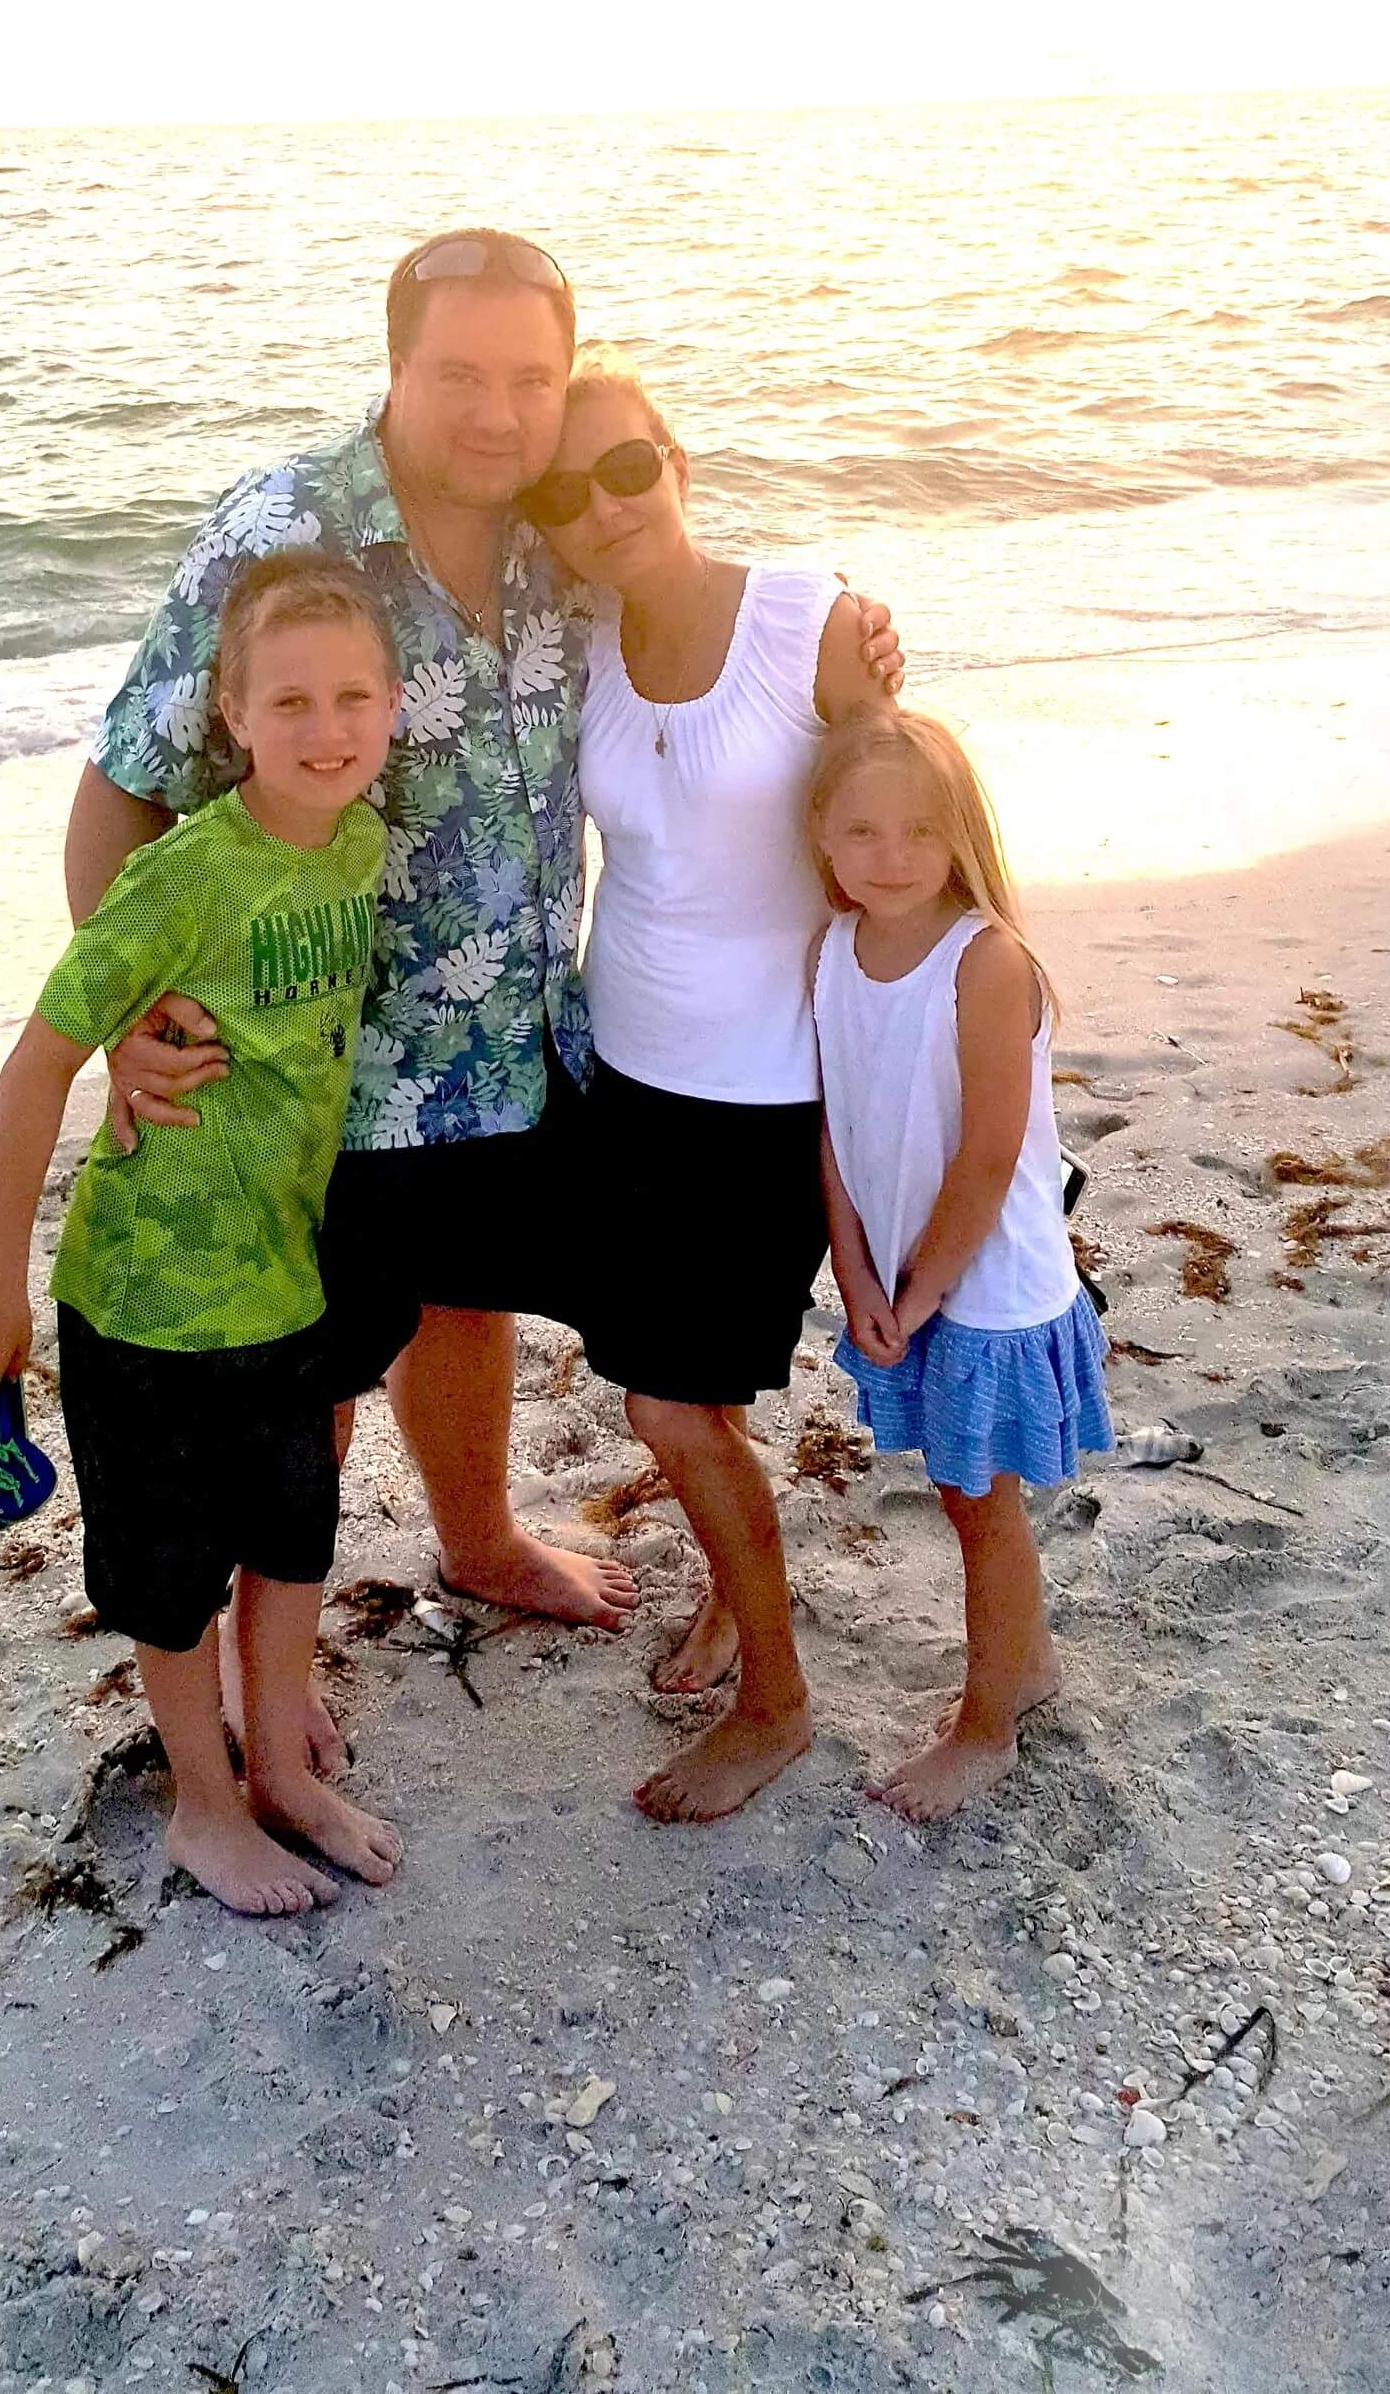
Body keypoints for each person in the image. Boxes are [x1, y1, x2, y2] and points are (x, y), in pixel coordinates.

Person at [66, 231, 908, 1668]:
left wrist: (845, 633)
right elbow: (123, 785)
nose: (496, 413)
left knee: (467, 1294)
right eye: (457, 374)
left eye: (528, 379)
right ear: (395, 367)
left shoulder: (554, 528)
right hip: (315, 1061)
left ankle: (477, 1539)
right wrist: (127, 1018)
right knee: (304, 1365)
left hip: (523, 1042)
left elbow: (695, 609)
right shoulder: (279, 532)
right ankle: (275, 1662)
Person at [0, 552, 403, 1915]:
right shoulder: (185, 875)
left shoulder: (361, 845)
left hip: (284, 1285)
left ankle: (280, 1771)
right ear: (232, 715)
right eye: (290, 701)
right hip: (145, 1304)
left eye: (353, 698)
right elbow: (37, 1063)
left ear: (392, 707)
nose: (326, 729)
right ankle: (204, 1804)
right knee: (167, 1578)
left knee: (294, 1542)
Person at [521, 348, 897, 1821]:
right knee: (684, 1395)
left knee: (670, 1410)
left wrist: (963, 1023)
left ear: (676, 464)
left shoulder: (810, 619)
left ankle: (778, 1706)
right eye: (563, 491)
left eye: (625, 466)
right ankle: (740, 1600)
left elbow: (900, 824)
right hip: (626, 1075)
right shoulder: (579, 647)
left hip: (773, 1088)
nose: (601, 504)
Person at [808, 709, 1113, 1822]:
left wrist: (922, 1289)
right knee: (959, 1489)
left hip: (984, 1284)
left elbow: (987, 1155)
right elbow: (834, 1130)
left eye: (919, 831)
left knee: (980, 1505)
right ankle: (1026, 1667)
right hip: (900, 1275)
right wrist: (854, 1274)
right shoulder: (830, 951)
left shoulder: (983, 960)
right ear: (820, 834)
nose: (891, 856)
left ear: (961, 835)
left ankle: (986, 1730)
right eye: (862, 830)